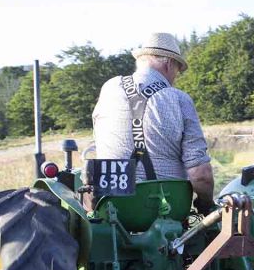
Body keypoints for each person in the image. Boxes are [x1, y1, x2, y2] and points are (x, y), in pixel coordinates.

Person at [92, 32, 215, 214]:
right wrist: (206, 204)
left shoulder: (109, 88)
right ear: (169, 63)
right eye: (178, 70)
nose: (176, 76)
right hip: (166, 210)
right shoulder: (179, 99)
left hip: (111, 206)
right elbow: (200, 175)